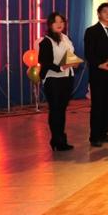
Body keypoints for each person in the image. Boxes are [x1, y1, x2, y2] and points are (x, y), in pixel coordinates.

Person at [83, 2, 108, 147]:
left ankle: (104, 133)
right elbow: (89, 53)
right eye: (105, 11)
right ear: (99, 14)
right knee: (97, 105)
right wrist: (100, 64)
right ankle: (94, 136)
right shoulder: (91, 31)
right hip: (98, 74)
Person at [38, 12, 76, 151]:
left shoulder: (66, 38)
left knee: (62, 110)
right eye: (56, 22)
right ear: (50, 25)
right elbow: (44, 61)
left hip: (67, 77)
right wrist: (61, 67)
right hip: (53, 80)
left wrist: (74, 62)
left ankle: (61, 139)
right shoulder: (46, 41)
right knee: (55, 110)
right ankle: (56, 139)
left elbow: (70, 55)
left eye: (62, 21)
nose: (59, 24)